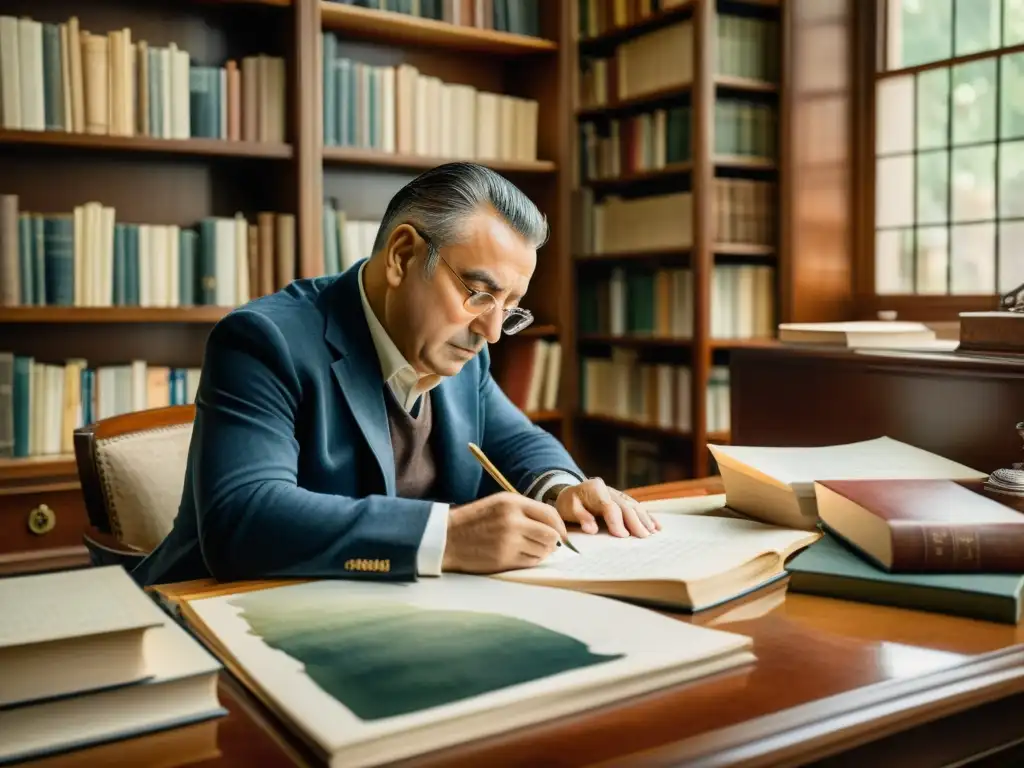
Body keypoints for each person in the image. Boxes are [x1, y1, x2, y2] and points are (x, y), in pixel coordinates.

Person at [131, 162, 659, 588]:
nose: (493, 331)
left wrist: (562, 492)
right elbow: (241, 521)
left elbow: (520, 441)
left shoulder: (456, 347)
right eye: (478, 293)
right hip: (215, 628)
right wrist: (444, 538)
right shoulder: (262, 341)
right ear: (403, 256)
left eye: (510, 307)